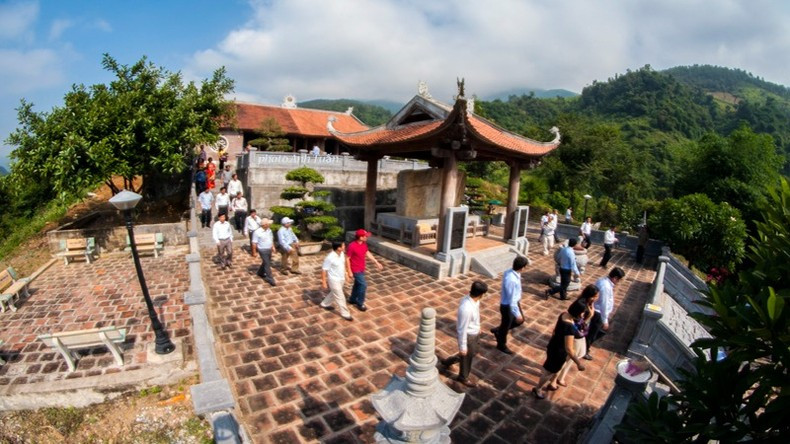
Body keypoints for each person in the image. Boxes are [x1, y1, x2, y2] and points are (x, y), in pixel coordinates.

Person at [532, 300, 587, 399]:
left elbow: (555, 331)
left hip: (553, 345)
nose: (583, 315)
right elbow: (569, 349)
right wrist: (579, 363)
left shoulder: (564, 314)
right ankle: (538, 389)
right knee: (548, 372)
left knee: (553, 369)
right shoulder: (569, 327)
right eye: (582, 312)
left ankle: (551, 383)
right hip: (558, 352)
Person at [441, 280, 489, 387]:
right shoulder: (466, 308)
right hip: (469, 336)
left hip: (475, 332)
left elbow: (476, 314)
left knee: (472, 352)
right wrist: (462, 346)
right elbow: (461, 329)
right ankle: (463, 377)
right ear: (481, 294)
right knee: (467, 356)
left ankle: (448, 361)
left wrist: (478, 326)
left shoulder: (475, 300)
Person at [556, 285, 598, 386]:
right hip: (576, 335)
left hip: (579, 333)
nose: (597, 298)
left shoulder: (585, 303)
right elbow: (580, 323)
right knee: (570, 357)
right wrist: (590, 316)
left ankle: (559, 376)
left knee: (570, 358)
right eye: (596, 296)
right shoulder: (581, 307)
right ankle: (558, 378)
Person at [585, 267, 625, 360]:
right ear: (615, 278)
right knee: (593, 333)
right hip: (598, 312)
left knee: (592, 331)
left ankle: (585, 346)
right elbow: (604, 304)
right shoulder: (606, 286)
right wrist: (605, 320)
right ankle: (584, 349)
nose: (618, 282)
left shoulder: (602, 280)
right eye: (619, 280)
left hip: (596, 310)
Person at [491, 256, 528, 354]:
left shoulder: (512, 272)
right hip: (508, 306)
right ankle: (501, 344)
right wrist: (517, 314)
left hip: (514, 303)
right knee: (511, 323)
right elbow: (511, 300)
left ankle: (499, 330)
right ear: (522, 267)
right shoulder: (511, 279)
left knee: (516, 321)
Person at [346, 229, 383, 312]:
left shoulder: (364, 244)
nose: (367, 237)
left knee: (358, 284)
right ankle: (360, 303)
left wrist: (376, 262)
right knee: (363, 285)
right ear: (360, 237)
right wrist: (349, 271)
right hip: (355, 269)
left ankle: (352, 299)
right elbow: (347, 258)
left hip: (362, 268)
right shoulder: (352, 246)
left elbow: (367, 253)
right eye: (365, 236)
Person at [320, 241, 353, 321]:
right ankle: (345, 313)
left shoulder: (341, 254)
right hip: (334, 280)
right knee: (340, 297)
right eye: (343, 245)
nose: (345, 246)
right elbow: (324, 270)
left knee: (334, 293)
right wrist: (324, 282)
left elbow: (343, 265)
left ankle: (324, 304)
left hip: (341, 278)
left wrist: (346, 274)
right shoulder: (330, 258)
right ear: (338, 248)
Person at [252, 218, 275, 286]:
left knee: (266, 262)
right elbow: (254, 243)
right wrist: (254, 252)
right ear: (264, 225)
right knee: (267, 264)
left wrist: (273, 246)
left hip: (269, 249)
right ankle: (270, 278)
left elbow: (271, 239)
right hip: (262, 249)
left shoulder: (269, 230)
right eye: (268, 224)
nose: (269, 225)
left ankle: (260, 272)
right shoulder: (257, 232)